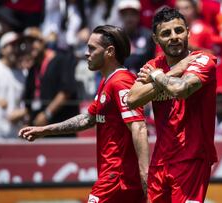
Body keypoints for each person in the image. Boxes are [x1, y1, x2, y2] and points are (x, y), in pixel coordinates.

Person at [19, 25, 149, 203]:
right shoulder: (107, 81)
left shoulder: (121, 82)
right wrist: (44, 130)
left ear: (110, 51)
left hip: (117, 178)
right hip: (117, 177)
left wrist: (144, 172)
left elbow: (138, 126)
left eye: (92, 48)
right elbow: (88, 119)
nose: (87, 53)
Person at [127, 7, 217, 202]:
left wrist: (158, 77)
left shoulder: (203, 60)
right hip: (160, 161)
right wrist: (173, 71)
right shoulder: (154, 65)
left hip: (192, 159)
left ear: (188, 32)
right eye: (166, 33)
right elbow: (132, 100)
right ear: (156, 40)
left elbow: (181, 89)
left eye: (179, 31)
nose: (174, 37)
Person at [20, 27, 79, 137]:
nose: (30, 46)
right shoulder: (33, 69)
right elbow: (29, 100)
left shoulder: (62, 60)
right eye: (27, 43)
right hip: (40, 131)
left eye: (33, 41)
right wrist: (27, 122)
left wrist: (47, 114)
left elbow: (66, 92)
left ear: (42, 42)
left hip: (61, 130)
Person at [118, 0, 156, 73]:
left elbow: (154, 60)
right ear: (120, 16)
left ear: (138, 15)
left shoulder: (148, 36)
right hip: (121, 80)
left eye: (133, 14)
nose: (129, 18)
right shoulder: (116, 37)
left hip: (144, 79)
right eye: (125, 14)